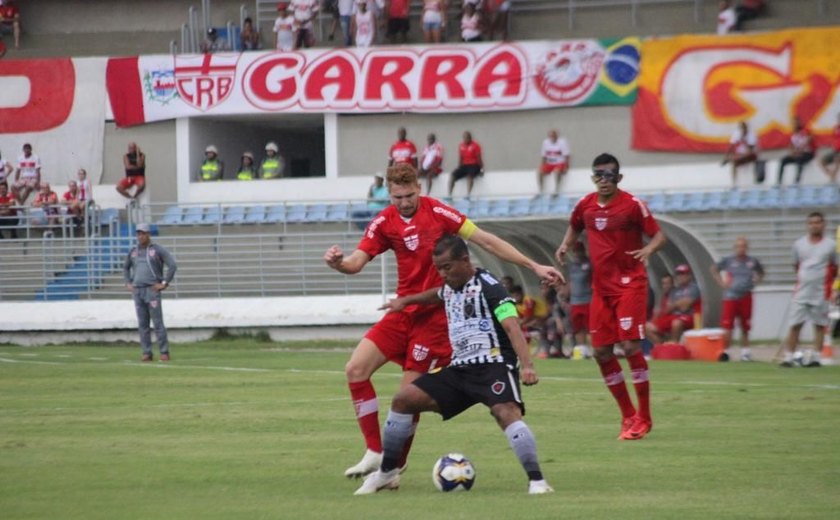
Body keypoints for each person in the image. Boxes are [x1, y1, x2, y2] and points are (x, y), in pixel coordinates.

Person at [324, 162, 562, 478]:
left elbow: (487, 241)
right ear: (389, 195)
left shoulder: (439, 213)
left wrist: (533, 265)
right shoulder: (384, 222)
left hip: (435, 319)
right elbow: (356, 262)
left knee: (409, 395)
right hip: (402, 311)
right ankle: (375, 451)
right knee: (355, 369)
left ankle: (393, 467)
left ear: (419, 188)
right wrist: (339, 264)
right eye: (397, 197)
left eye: (409, 195)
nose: (405, 202)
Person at [354, 235, 554, 495]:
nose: (443, 273)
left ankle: (537, 481)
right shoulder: (450, 286)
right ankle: (387, 472)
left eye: (447, 267)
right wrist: (406, 301)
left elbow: (511, 325)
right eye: (439, 268)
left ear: (465, 260)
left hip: (492, 365)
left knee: (505, 413)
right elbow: (436, 294)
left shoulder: (490, 286)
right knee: (403, 400)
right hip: (459, 369)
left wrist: (527, 366)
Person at [555, 152, 666, 440]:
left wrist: (649, 250)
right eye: (599, 176)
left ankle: (645, 417)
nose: (604, 181)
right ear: (593, 178)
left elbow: (658, 235)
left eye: (610, 176)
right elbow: (575, 225)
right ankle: (628, 415)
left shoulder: (632, 206)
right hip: (601, 290)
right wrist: (566, 245)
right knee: (601, 352)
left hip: (630, 284)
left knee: (630, 347)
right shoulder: (585, 205)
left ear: (619, 178)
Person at [780, 212, 837, 367]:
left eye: (818, 222)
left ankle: (816, 357)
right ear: (807, 225)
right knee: (795, 324)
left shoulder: (831, 245)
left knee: (819, 325)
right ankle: (788, 357)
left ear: (823, 224)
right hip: (801, 291)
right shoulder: (799, 244)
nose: (814, 225)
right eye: (811, 223)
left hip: (821, 292)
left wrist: (834, 289)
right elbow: (796, 266)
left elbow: (835, 268)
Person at [124, 223, 178, 363]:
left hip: (152, 290)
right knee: (143, 324)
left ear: (149, 234)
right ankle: (146, 352)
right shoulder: (133, 251)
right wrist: (128, 283)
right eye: (138, 234)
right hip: (138, 291)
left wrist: (164, 283)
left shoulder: (157, 249)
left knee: (158, 323)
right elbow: (126, 267)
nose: (140, 236)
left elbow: (172, 265)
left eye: (143, 233)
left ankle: (164, 352)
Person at [711, 237, 764, 361]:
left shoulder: (752, 261)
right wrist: (722, 282)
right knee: (728, 325)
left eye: (743, 246)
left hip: (746, 295)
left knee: (745, 325)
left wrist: (756, 281)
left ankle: (745, 352)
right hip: (730, 296)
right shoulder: (728, 261)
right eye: (739, 246)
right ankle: (726, 351)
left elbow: (761, 272)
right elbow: (714, 269)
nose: (741, 249)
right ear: (734, 248)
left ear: (747, 248)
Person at [646, 264, 700, 344]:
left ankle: (674, 344)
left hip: (689, 317)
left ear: (689, 276)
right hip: (673, 316)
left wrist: (674, 305)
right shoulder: (674, 290)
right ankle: (662, 347)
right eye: (678, 274)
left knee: (676, 323)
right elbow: (667, 309)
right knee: (647, 326)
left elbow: (684, 307)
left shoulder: (693, 288)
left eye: (683, 274)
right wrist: (678, 303)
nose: (681, 277)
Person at [510, 284, 550, 358]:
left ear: (521, 293)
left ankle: (528, 351)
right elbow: (518, 317)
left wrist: (519, 324)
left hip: (543, 317)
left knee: (522, 328)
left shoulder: (528, 300)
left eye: (517, 296)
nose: (515, 298)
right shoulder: (516, 304)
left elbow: (528, 316)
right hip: (533, 320)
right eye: (513, 296)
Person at [567, 241, 592, 355]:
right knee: (578, 326)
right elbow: (570, 282)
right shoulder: (572, 266)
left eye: (579, 251)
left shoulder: (590, 264)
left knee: (589, 326)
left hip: (588, 300)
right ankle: (582, 349)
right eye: (575, 252)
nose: (577, 254)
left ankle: (593, 349)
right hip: (575, 301)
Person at [777, 117, 815, 185]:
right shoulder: (793, 134)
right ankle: (779, 182)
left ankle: (797, 181)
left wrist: (799, 151)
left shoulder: (805, 131)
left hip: (807, 153)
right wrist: (792, 153)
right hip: (797, 154)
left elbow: (808, 141)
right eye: (793, 123)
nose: (794, 125)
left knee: (799, 159)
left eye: (796, 123)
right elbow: (790, 146)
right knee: (783, 160)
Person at [721, 121, 759, 187]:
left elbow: (750, 151)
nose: (742, 130)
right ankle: (734, 182)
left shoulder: (751, 135)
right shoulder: (737, 134)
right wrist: (726, 156)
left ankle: (730, 159)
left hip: (750, 155)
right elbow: (731, 146)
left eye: (744, 128)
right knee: (734, 162)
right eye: (741, 129)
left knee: (736, 159)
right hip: (740, 154)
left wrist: (743, 140)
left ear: (746, 128)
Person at [448, 131, 483, 198]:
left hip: (474, 165)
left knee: (469, 176)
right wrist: (459, 167)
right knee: (452, 175)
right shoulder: (461, 146)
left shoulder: (475, 145)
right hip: (464, 165)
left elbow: (479, 158)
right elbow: (461, 157)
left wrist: (481, 168)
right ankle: (450, 195)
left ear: (470, 138)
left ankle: (468, 194)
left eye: (467, 137)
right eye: (464, 138)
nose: (466, 139)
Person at [538, 129, 571, 195]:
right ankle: (541, 190)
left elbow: (567, 156)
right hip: (549, 163)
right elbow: (544, 156)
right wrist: (542, 166)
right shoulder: (545, 142)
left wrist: (566, 167)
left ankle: (556, 190)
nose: (552, 138)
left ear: (557, 136)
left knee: (557, 171)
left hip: (559, 163)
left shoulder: (562, 142)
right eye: (551, 136)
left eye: (553, 136)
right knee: (540, 172)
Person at [819, 113, 840, 184]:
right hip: (835, 151)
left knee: (837, 159)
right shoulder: (836, 128)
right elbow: (833, 138)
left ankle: (833, 178)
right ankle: (831, 175)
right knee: (822, 161)